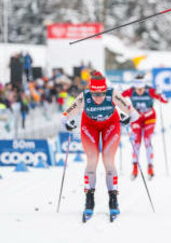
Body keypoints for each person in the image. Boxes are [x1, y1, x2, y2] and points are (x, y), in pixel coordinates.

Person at [60, 71, 140, 220]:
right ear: (90, 91)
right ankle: (89, 200)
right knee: (92, 159)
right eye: (95, 95)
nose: (98, 98)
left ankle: (113, 199)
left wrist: (128, 118)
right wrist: (68, 123)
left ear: (106, 90)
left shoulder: (112, 94)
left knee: (108, 160)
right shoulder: (84, 96)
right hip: (89, 125)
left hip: (111, 124)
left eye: (102, 94)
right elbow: (65, 116)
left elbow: (134, 114)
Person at [121, 73, 168, 179]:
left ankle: (150, 167)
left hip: (149, 118)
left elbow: (165, 101)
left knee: (147, 140)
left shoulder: (150, 90)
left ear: (144, 86)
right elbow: (117, 99)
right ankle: (134, 168)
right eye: (137, 89)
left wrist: (161, 94)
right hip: (136, 118)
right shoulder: (131, 91)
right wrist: (118, 93)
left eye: (141, 88)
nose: (140, 91)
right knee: (136, 142)